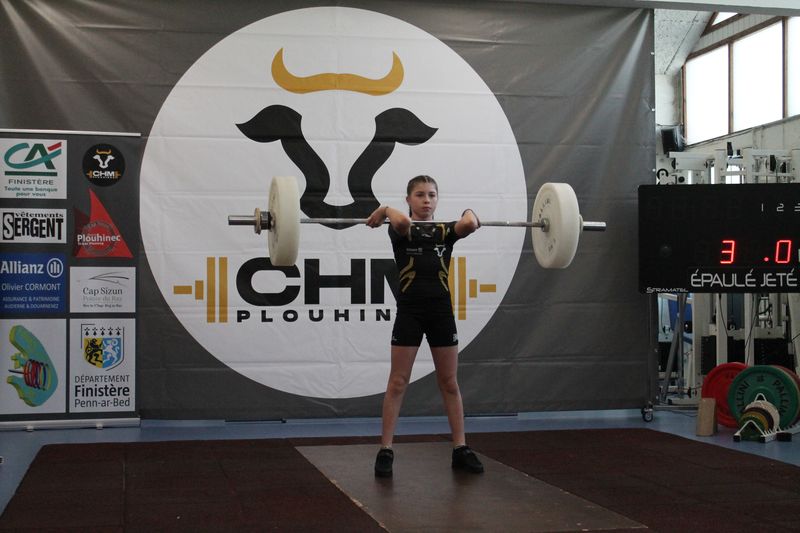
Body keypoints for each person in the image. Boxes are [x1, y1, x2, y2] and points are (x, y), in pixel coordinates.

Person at [365, 175, 484, 478]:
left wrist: (469, 211)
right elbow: (403, 222)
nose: (427, 200)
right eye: (419, 195)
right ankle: (386, 450)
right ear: (408, 199)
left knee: (450, 382)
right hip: (410, 312)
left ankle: (460, 449)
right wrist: (384, 209)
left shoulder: (445, 232)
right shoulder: (400, 230)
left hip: (441, 312)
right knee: (397, 382)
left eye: (432, 195)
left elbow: (470, 224)